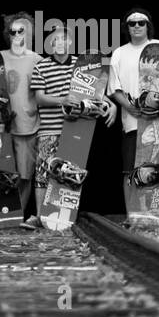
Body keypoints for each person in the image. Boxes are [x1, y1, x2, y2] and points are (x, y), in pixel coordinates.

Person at [31, 22, 116, 222]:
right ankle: (39, 217)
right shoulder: (41, 66)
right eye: (55, 39)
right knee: (44, 172)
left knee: (70, 172)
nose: (59, 42)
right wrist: (62, 100)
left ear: (70, 41)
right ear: (50, 43)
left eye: (64, 38)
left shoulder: (82, 64)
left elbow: (95, 93)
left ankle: (62, 216)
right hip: (49, 129)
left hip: (75, 129)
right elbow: (39, 98)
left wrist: (111, 105)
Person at [107, 6, 159, 220]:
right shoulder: (119, 53)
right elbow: (114, 89)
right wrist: (130, 107)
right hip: (134, 119)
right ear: (127, 28)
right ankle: (133, 214)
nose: (136, 26)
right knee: (130, 168)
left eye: (141, 22)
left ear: (147, 26)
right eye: (132, 23)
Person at [0, 12, 42, 229]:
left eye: (21, 31)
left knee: (25, 174)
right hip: (1, 126)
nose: (16, 35)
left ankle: (17, 215)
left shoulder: (37, 60)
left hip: (29, 124)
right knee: (2, 174)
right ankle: (2, 214)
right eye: (12, 31)